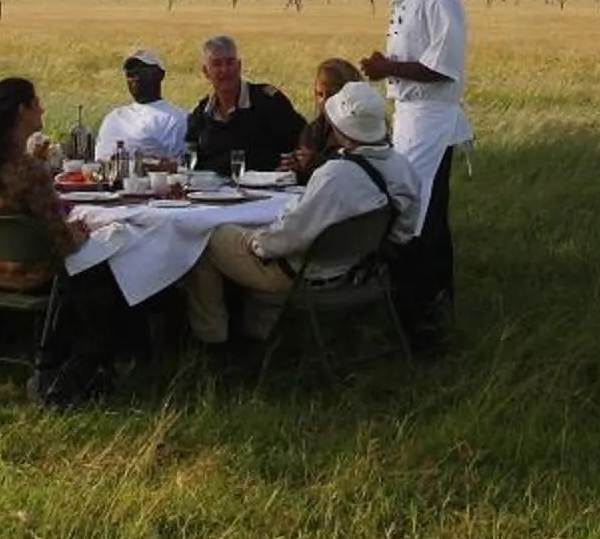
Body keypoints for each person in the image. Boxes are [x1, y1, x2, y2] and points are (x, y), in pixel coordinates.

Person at [184, 82, 420, 350]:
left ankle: (212, 340)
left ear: (339, 128)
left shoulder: (335, 175)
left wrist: (255, 243)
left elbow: (287, 238)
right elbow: (404, 233)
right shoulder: (403, 168)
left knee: (205, 238)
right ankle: (259, 330)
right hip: (360, 270)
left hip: (304, 275)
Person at [0, 77, 125, 410]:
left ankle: (62, 367)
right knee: (107, 279)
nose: (42, 109)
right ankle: (70, 375)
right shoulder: (30, 171)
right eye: (36, 103)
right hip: (34, 270)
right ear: (22, 110)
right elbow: (61, 241)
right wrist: (81, 231)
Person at [360, 0, 470, 345]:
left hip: (430, 118)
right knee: (428, 207)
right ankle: (435, 296)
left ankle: (419, 306)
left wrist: (387, 68)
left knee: (415, 210)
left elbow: (444, 67)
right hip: (408, 115)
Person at [180, 34, 307, 177]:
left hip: (268, 192)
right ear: (206, 72)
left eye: (230, 62)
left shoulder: (269, 101)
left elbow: (304, 140)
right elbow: (190, 158)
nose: (225, 70)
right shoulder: (202, 113)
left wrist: (298, 162)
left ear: (239, 66)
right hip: (214, 193)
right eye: (217, 64)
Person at [93, 48, 188, 165]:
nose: (136, 78)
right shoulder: (114, 117)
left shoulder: (178, 119)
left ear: (160, 75)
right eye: (130, 74)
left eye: (142, 71)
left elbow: (182, 166)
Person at [286, 57, 362, 182]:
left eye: (331, 95)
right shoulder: (313, 130)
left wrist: (318, 164)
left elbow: (359, 172)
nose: (324, 101)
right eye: (320, 94)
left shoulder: (365, 131)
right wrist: (296, 169)